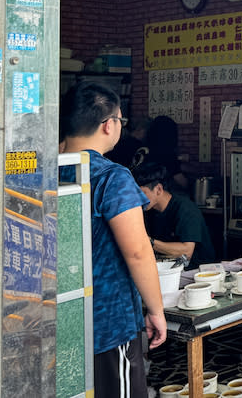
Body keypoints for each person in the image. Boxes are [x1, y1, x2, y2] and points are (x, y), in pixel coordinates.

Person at [59, 82, 167, 398]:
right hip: (108, 324)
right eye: (120, 120)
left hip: (61, 322)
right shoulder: (111, 177)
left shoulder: (48, 170)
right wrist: (156, 310)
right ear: (109, 125)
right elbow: (137, 251)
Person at [133, 160, 216, 269]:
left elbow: (186, 251)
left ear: (158, 189)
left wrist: (149, 242)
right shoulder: (149, 210)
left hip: (196, 271)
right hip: (168, 268)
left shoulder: (185, 209)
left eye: (142, 193)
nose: (137, 199)